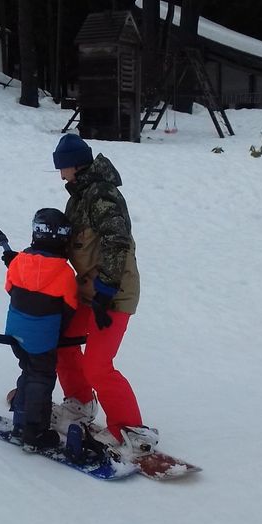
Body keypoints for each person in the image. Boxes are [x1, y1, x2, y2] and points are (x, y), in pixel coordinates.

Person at [51, 132, 157, 450]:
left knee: (97, 364)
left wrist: (107, 288)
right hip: (89, 292)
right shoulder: (79, 196)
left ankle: (131, 431)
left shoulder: (101, 195)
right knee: (63, 343)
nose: (60, 174)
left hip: (113, 294)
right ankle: (80, 404)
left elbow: (116, 238)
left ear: (73, 165)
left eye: (62, 167)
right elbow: (66, 242)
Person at [3, 208, 78, 451]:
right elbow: (69, 307)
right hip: (42, 339)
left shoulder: (18, 262)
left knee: (27, 370)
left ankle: (19, 424)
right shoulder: (65, 273)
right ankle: (34, 432)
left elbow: (9, 288)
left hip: (14, 333)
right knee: (41, 378)